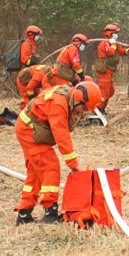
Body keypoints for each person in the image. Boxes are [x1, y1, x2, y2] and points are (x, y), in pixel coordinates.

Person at [13, 80, 102, 225]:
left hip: (30, 128)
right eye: (83, 109)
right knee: (50, 167)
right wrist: (73, 164)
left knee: (35, 172)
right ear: (78, 100)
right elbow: (61, 136)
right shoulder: (58, 104)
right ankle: (50, 212)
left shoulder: (70, 97)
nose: (83, 113)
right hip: (29, 131)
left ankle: (24, 213)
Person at [94, 24, 129, 114]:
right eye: (115, 33)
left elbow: (122, 51)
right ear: (110, 34)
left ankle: (102, 108)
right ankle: (98, 110)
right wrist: (112, 44)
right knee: (104, 92)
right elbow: (110, 52)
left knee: (110, 91)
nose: (117, 35)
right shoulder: (104, 43)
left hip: (110, 70)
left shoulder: (113, 44)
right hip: (104, 70)